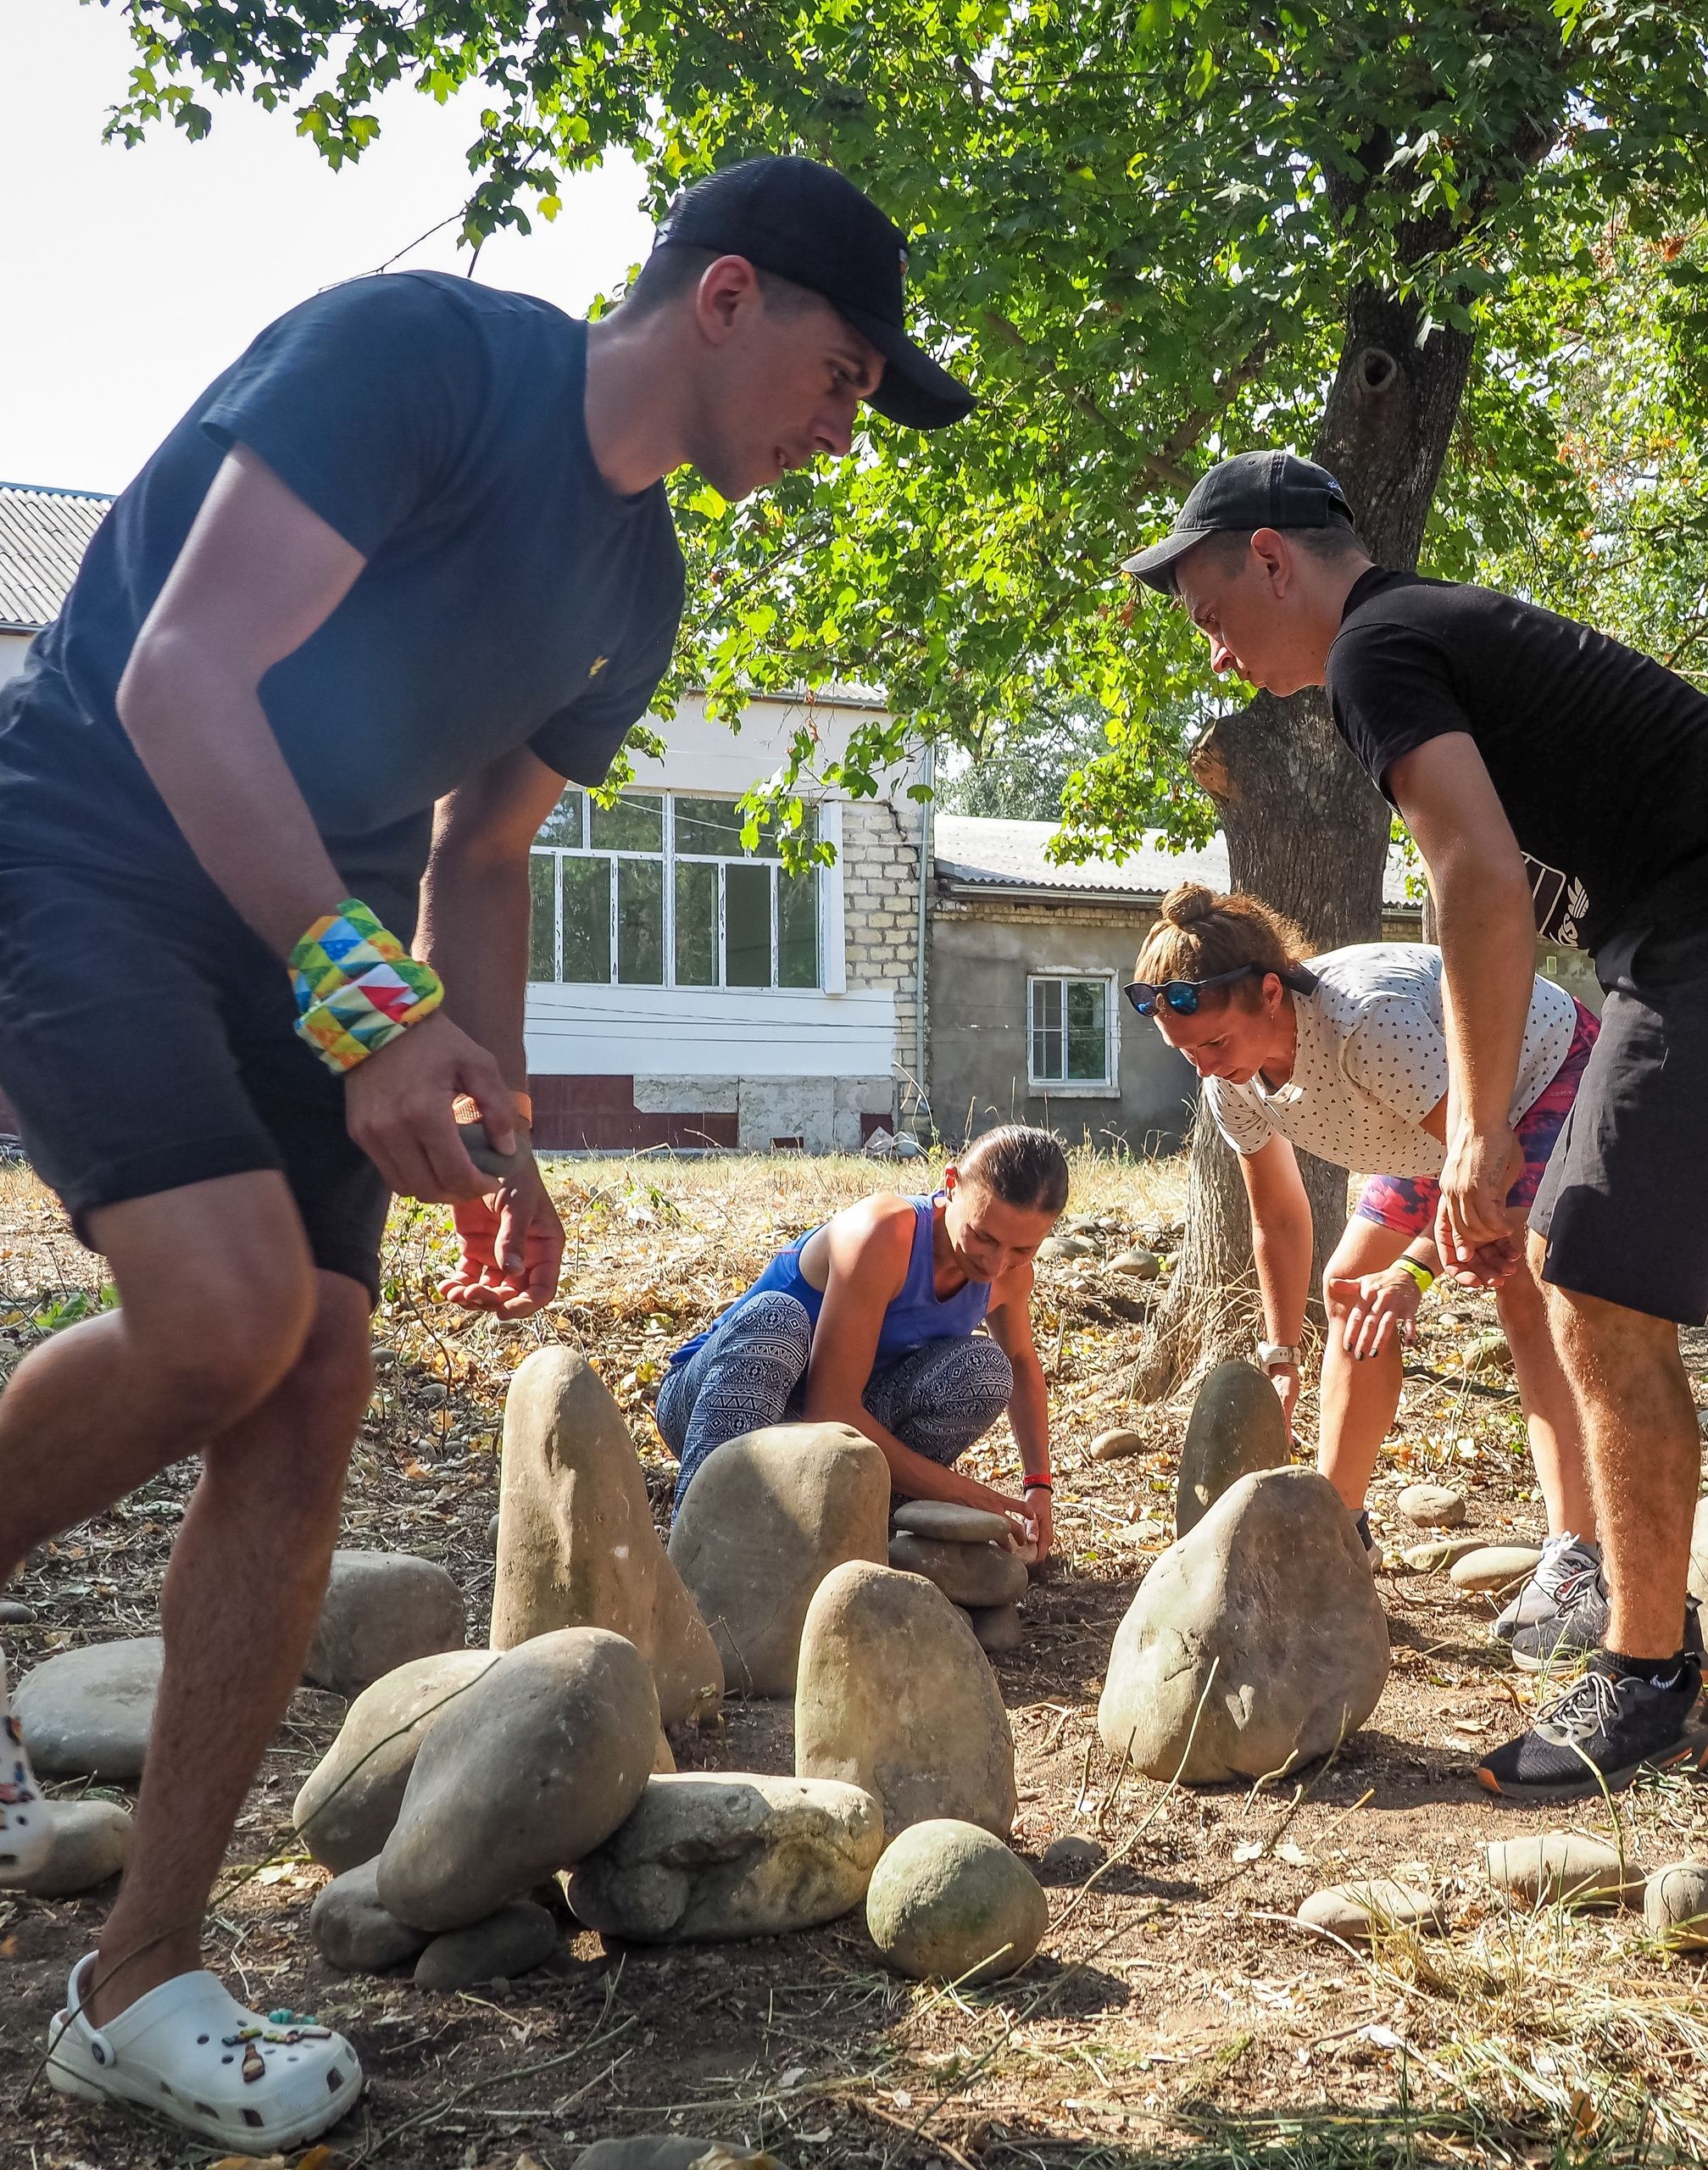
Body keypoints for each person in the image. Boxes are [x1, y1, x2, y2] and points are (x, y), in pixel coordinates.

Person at [0, 154, 973, 2148]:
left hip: (323, 920)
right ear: (723, 297)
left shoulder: (640, 584)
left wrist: (497, 1108)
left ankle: (142, 1975)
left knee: (318, 1373)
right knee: (227, 1311)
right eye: (842, 370)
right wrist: (368, 1006)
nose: (840, 423)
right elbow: (185, 677)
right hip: (96, 844)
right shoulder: (416, 358)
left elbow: (486, 846)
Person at [1121, 449, 1708, 1802]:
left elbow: (1477, 878)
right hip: (1697, 943)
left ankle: (1645, 1686)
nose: (1217, 654)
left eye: (1214, 613)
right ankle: (1648, 1667)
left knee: (1586, 1283)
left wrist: (1474, 1134)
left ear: (1272, 557)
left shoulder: (1379, 649)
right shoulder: (1409, 643)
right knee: (1587, 1281)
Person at [1130, 884, 1604, 1621]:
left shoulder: (1364, 1026)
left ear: (1268, 992)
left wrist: (1415, 1269)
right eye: (1184, 1051)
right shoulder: (1230, 1082)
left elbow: (1494, 1164)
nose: (1202, 1066)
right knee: (1350, 1286)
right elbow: (1280, 1220)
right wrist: (1280, 1356)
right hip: (1429, 1129)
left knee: (1521, 1283)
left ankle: (1578, 1557)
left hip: (1545, 1080)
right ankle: (1338, 1531)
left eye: (1214, 1043)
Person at [659, 1125, 1067, 1558]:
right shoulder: (883, 1235)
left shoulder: (1010, 1278)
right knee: (779, 1321)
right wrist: (965, 1494)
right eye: (983, 1235)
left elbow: (1021, 1363)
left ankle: (865, 1531)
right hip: (715, 1402)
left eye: (1023, 1249)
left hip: (827, 1428)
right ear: (951, 1184)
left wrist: (1038, 1484)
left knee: (985, 1371)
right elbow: (829, 1409)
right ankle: (697, 1551)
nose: (996, 1262)